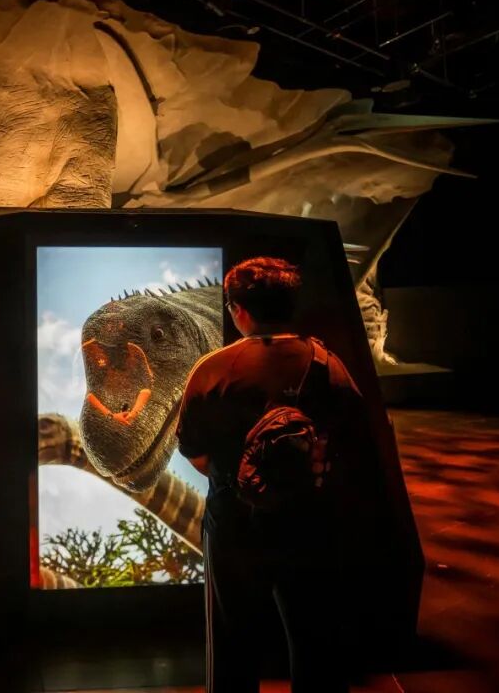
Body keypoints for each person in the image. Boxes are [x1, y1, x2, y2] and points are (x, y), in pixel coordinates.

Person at [176, 257, 368, 693]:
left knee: (232, 647)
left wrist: (241, 480)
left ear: (239, 310)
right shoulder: (327, 364)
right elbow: (355, 442)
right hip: (309, 523)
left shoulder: (212, 369)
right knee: (316, 643)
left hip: (235, 525)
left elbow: (193, 451)